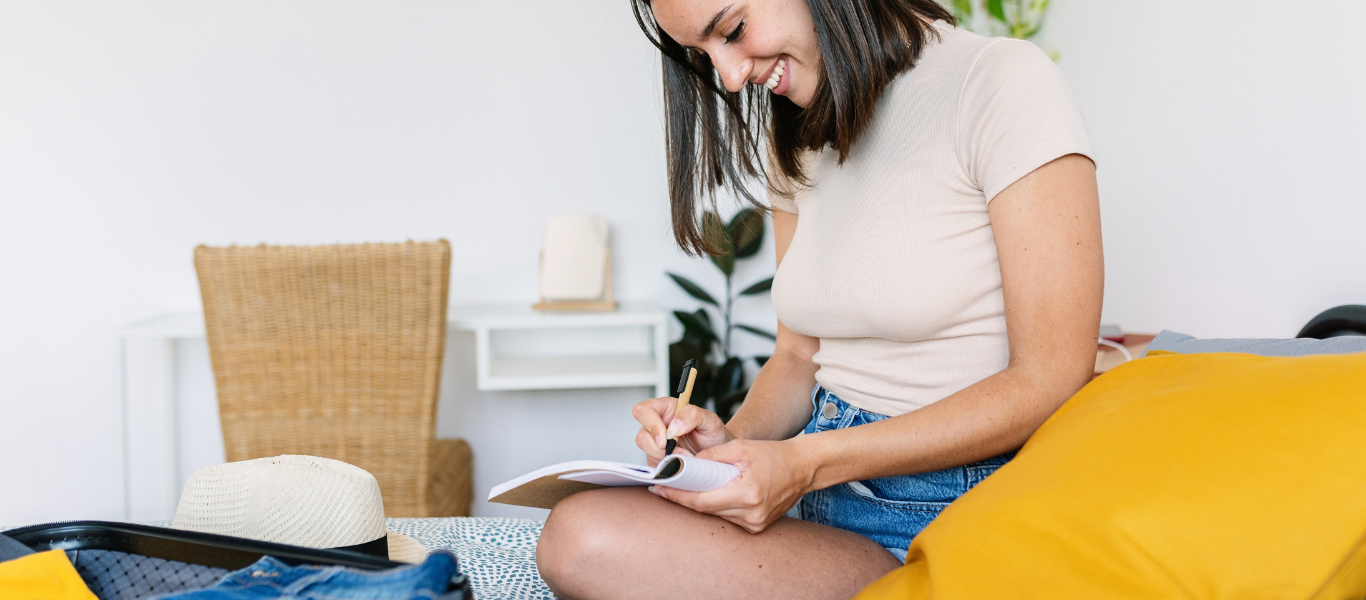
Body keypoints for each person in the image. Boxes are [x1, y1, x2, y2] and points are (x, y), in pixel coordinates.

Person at [537, 0, 1102, 597]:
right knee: (579, 533)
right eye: (705, 56)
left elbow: (1051, 377)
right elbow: (797, 358)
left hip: (943, 514)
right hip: (819, 488)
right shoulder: (797, 128)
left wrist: (809, 463)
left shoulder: (1000, 81)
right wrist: (731, 444)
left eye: (732, 31)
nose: (729, 77)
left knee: (586, 540)